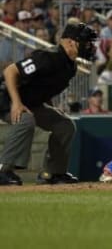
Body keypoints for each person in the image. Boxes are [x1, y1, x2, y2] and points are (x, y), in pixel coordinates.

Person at [0, 22, 97, 185]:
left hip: (30, 102)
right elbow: (10, 71)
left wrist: (51, 108)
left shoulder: (70, 65)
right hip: (6, 98)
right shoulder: (47, 56)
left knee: (65, 125)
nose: (88, 46)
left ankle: (53, 173)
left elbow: (43, 87)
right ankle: (4, 170)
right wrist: (16, 103)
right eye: (85, 42)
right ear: (70, 42)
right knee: (26, 120)